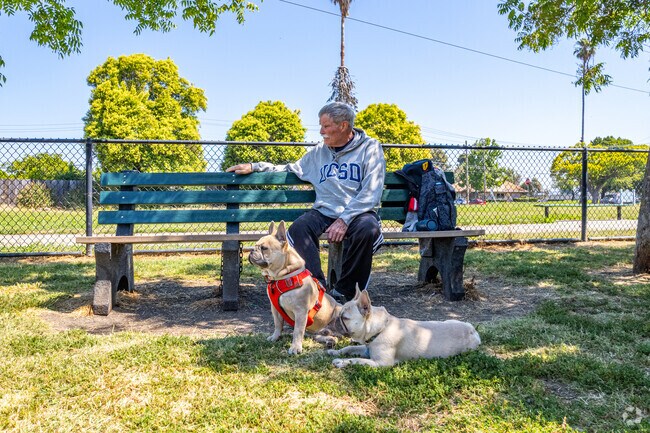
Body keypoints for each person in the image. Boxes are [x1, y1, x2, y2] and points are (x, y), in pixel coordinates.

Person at [226, 102, 386, 302]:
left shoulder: (370, 148)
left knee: (367, 229)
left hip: (358, 212)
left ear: (343, 126)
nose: (321, 131)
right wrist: (255, 166)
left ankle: (347, 293)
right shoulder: (319, 152)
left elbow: (372, 192)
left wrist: (345, 219)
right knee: (299, 228)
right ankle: (317, 290)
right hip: (325, 211)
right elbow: (289, 168)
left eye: (326, 126)